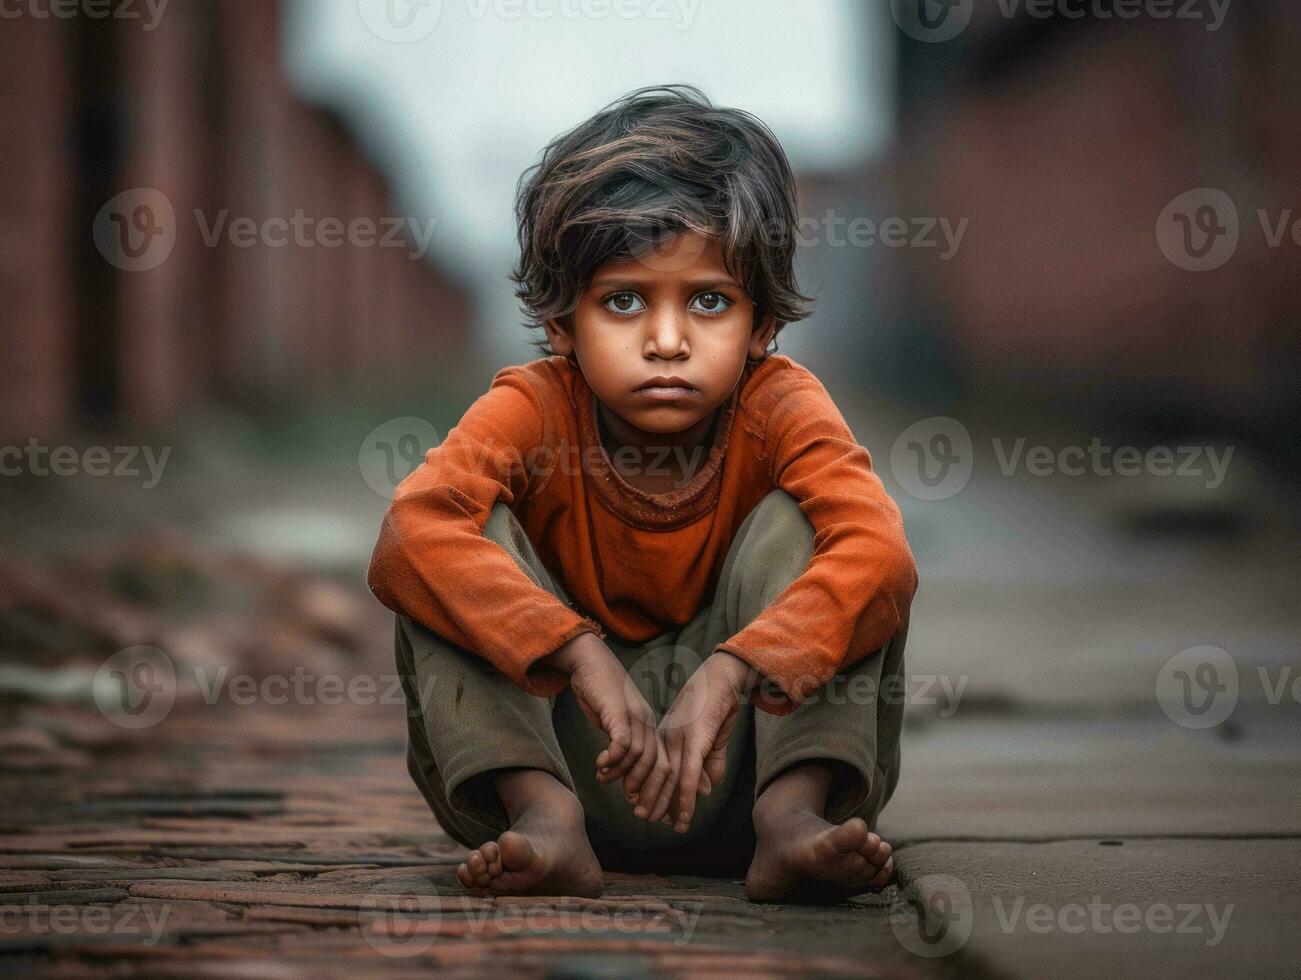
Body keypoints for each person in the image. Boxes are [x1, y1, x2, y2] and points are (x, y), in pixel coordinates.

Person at [368, 84, 918, 903]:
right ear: (562, 323)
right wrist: (575, 649)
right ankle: (545, 823)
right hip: (567, 768)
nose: (666, 342)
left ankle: (794, 821)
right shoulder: (534, 406)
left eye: (709, 301)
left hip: (745, 772)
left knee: (816, 527)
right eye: (623, 301)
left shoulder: (779, 408)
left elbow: (881, 557)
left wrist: (735, 671)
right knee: (455, 531)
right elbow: (409, 534)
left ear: (762, 323)